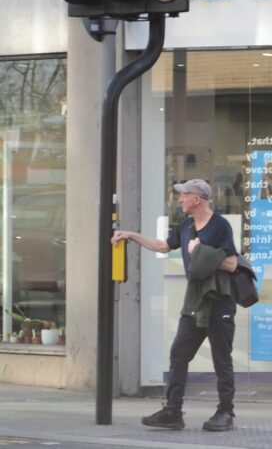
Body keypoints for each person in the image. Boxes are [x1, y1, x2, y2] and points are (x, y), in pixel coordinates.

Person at [112, 179, 239, 432]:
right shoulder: (185, 226)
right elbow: (162, 246)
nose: (179, 199)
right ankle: (173, 411)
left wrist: (200, 251)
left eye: (183, 195)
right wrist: (131, 235)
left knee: (221, 359)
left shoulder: (220, 226)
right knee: (179, 353)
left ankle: (226, 412)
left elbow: (232, 264)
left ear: (197, 199)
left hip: (218, 302)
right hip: (194, 301)